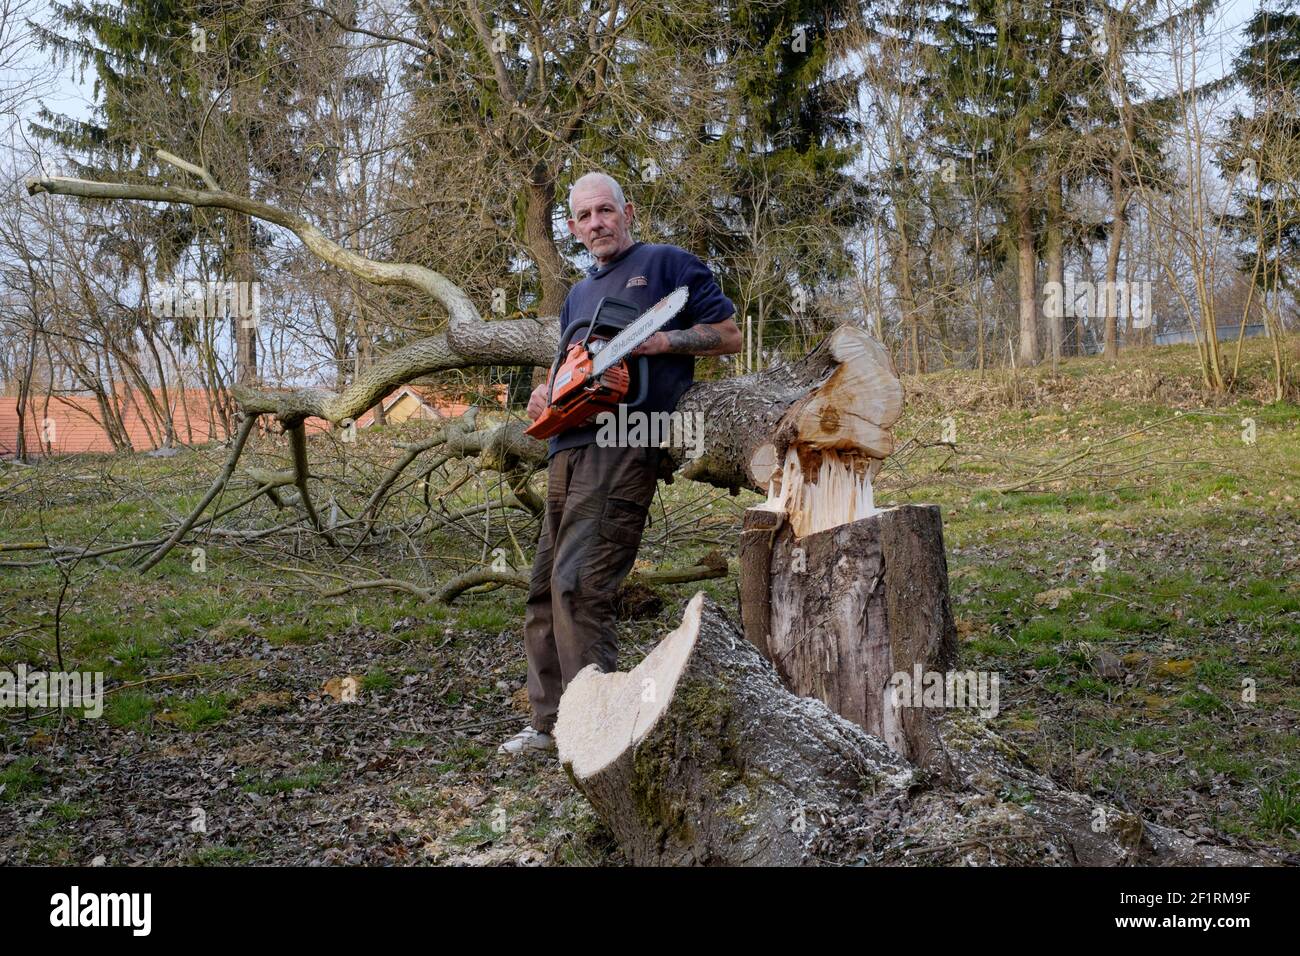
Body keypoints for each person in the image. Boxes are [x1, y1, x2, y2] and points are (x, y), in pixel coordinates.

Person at [498, 172, 741, 755]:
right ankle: (548, 724)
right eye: (584, 216)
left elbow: (728, 335)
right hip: (566, 446)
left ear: (626, 211)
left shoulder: (666, 265)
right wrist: (545, 393)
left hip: (628, 438)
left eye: (604, 211)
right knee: (542, 591)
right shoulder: (579, 296)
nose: (596, 224)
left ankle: (595, 727)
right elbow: (571, 364)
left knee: (580, 585)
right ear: (573, 227)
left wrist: (662, 343)